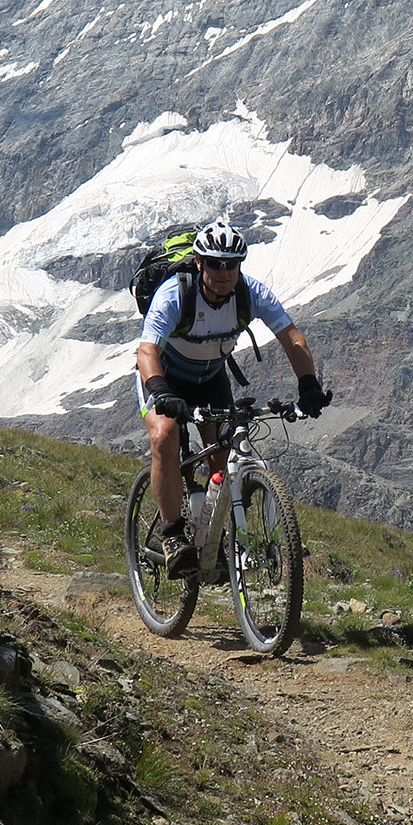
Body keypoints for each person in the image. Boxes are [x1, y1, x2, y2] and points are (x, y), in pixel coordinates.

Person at [136, 219, 330, 578]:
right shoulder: (175, 294)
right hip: (164, 377)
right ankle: (172, 535)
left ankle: (216, 540)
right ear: (199, 263)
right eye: (214, 263)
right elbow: (147, 352)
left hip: (210, 379)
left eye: (231, 263)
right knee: (164, 435)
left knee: (223, 460)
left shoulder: (251, 293)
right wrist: (161, 391)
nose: (223, 271)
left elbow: (292, 338)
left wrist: (308, 385)